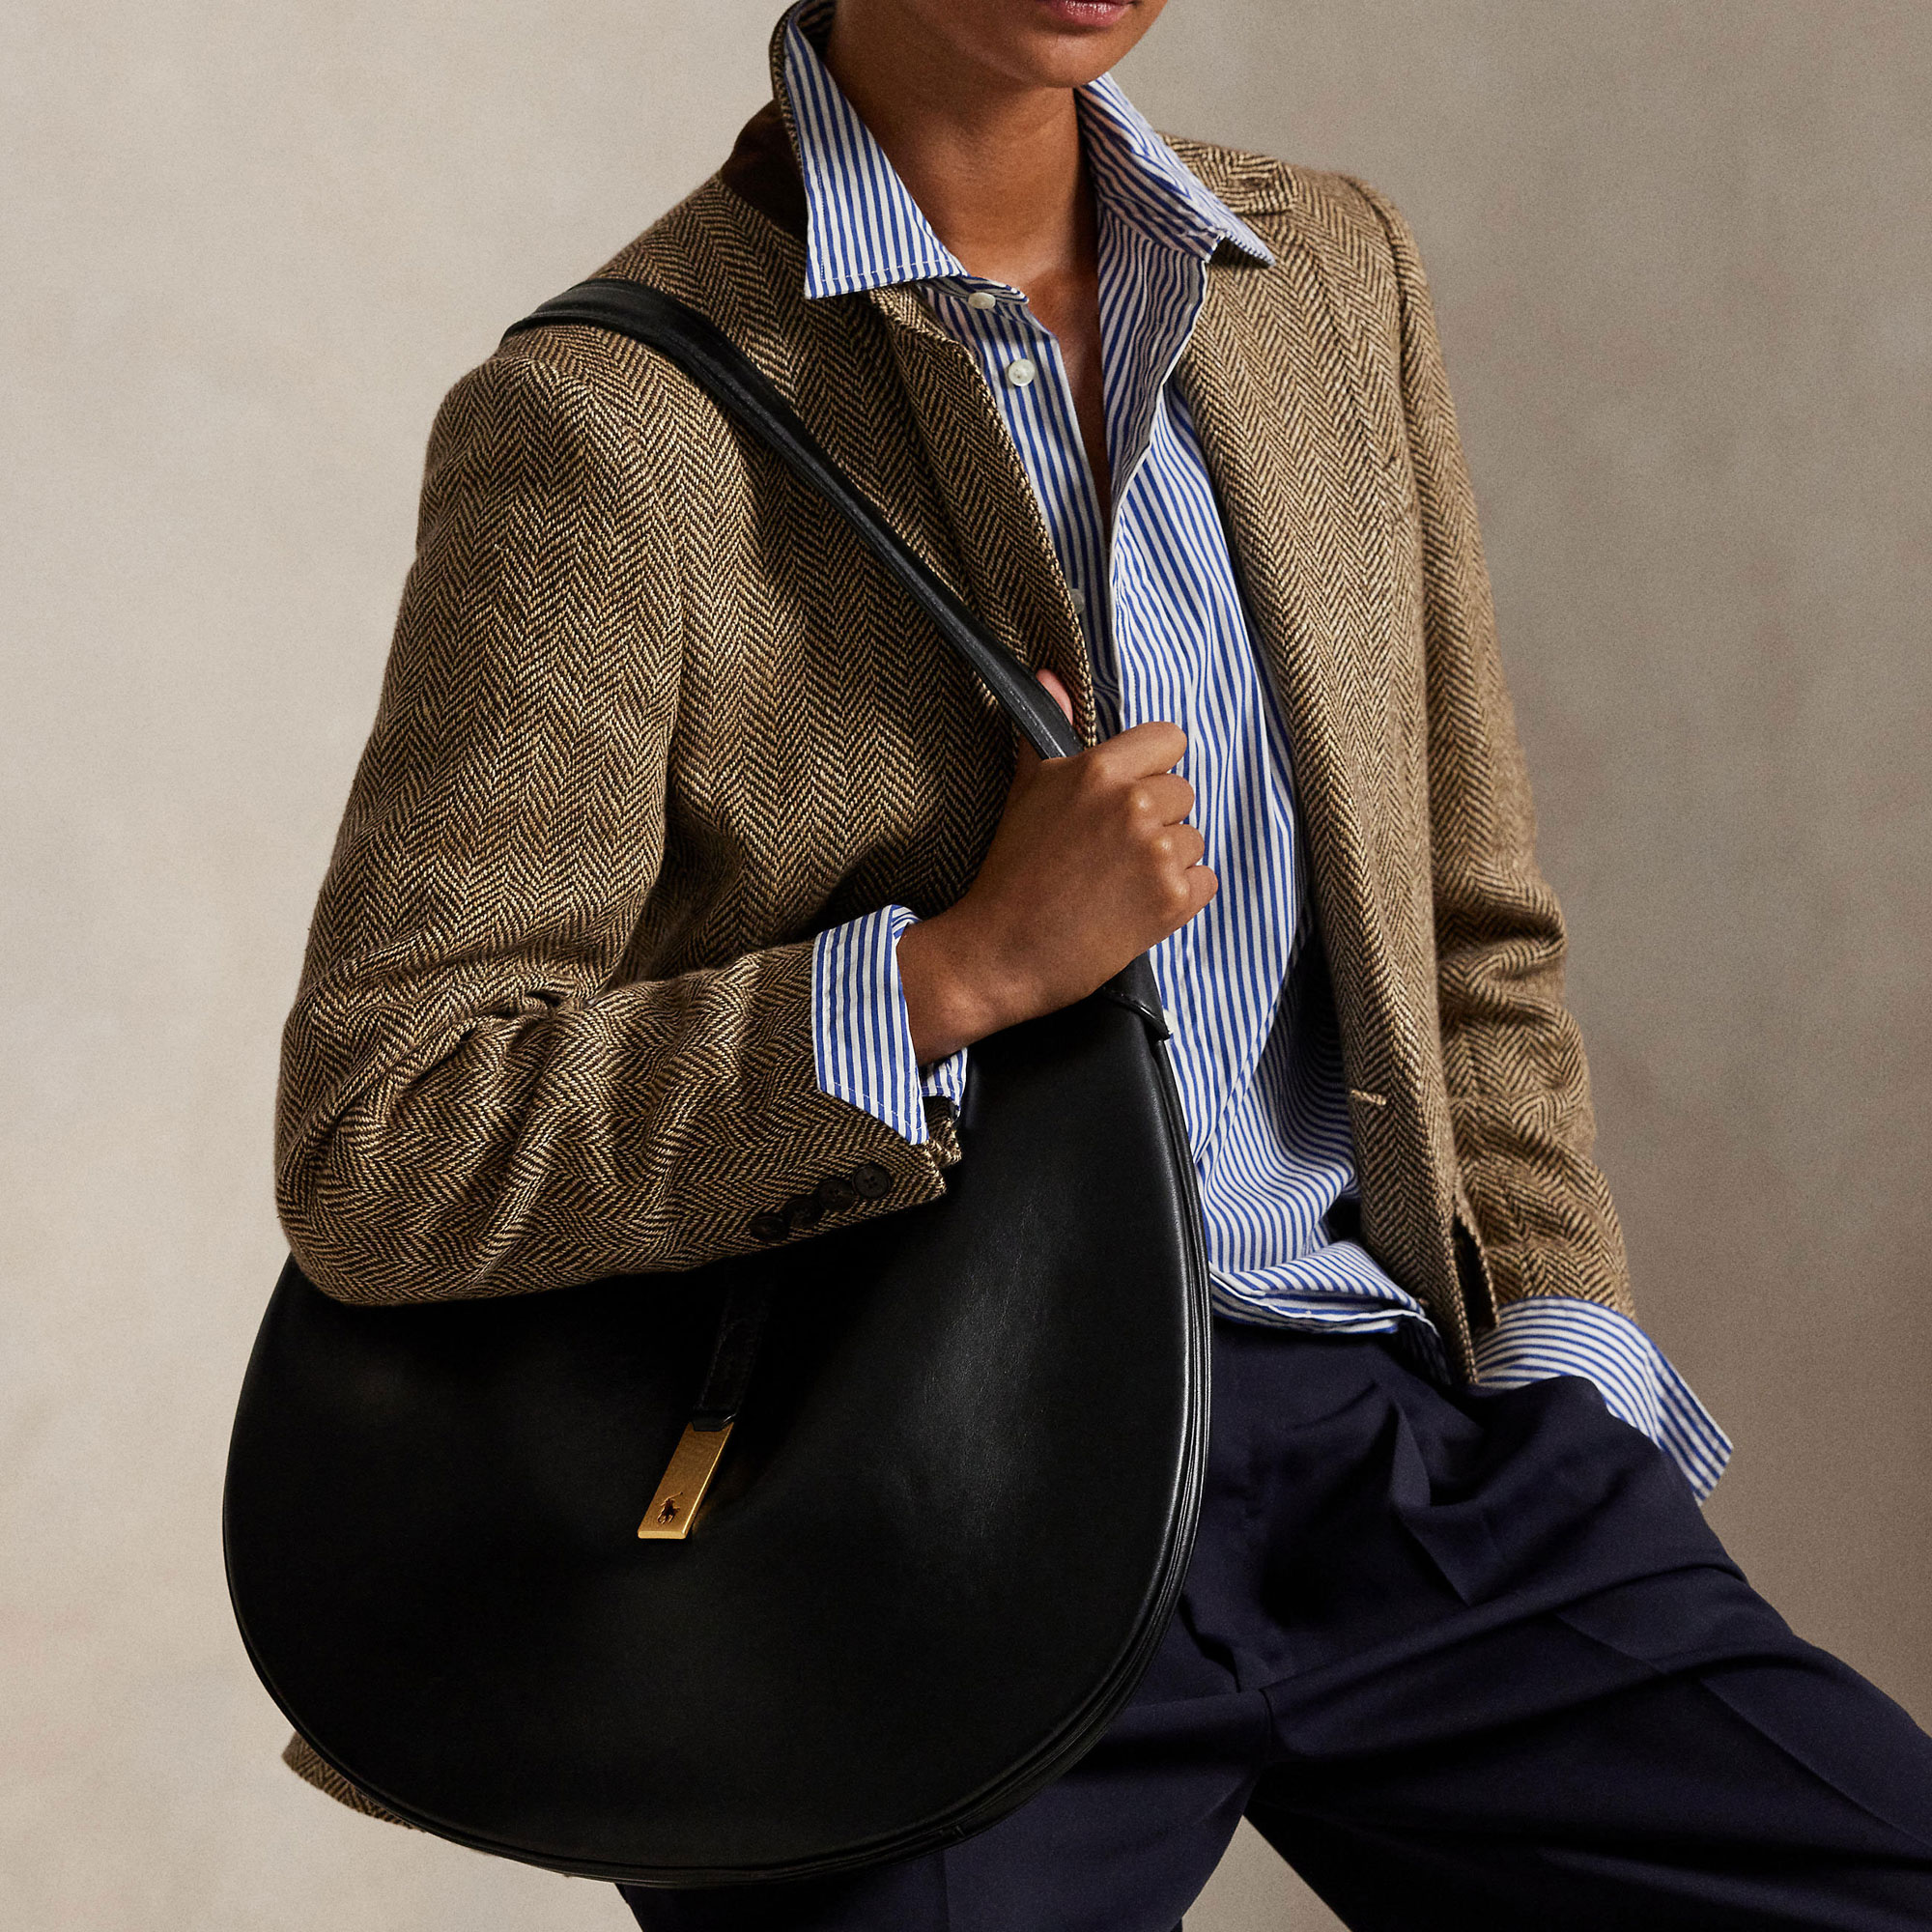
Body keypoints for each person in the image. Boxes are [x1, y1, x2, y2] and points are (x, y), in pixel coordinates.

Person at [274, 0, 1932, 1924]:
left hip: (1400, 1444)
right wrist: (944, 976)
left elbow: (1462, 916)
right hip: (914, 1516)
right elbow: (386, 1137)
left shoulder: (1325, 279)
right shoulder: (611, 418)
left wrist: (1567, 1379)